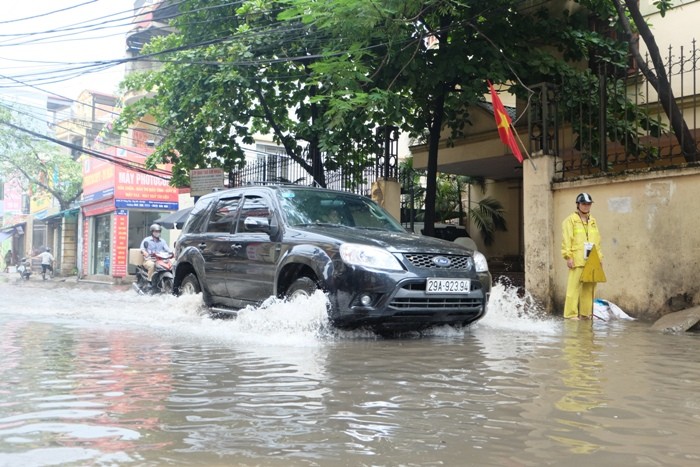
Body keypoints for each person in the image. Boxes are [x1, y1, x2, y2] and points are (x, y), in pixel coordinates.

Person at [561, 192, 603, 320]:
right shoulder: (570, 221)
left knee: (589, 289)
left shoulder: (593, 221)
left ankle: (586, 314)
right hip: (577, 258)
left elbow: (597, 241)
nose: (586, 206)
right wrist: (568, 256)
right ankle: (570, 314)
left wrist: (599, 258)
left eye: (588, 204)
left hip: (592, 260)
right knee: (573, 289)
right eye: (584, 204)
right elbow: (566, 239)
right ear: (578, 205)